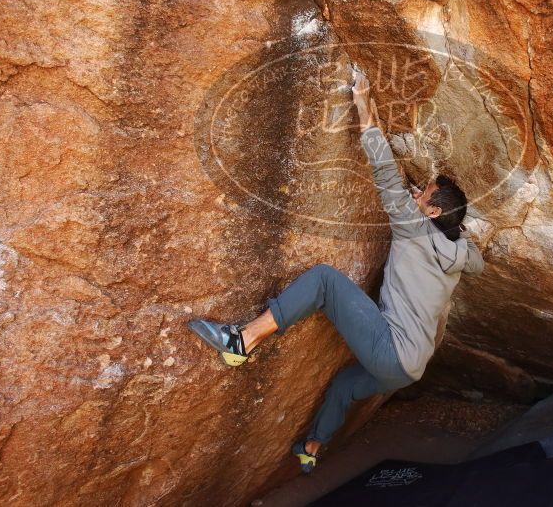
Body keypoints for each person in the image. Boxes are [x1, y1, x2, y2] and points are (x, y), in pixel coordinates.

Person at [187, 68, 484, 473]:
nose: (417, 192)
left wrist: (364, 103)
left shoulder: (415, 229)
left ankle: (243, 340)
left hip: (392, 352)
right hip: (410, 370)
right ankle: (311, 448)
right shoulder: (460, 251)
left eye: (425, 194)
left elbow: (383, 170)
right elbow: (473, 254)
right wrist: (432, 211)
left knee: (325, 279)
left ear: (431, 211)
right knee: (345, 385)